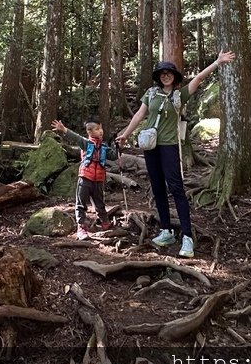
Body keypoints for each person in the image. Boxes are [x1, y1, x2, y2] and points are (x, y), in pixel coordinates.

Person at [115, 50, 235, 258]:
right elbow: (139, 115)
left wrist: (217, 62)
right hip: (151, 147)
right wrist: (125, 134)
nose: (165, 76)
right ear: (158, 77)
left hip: (169, 146)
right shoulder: (151, 94)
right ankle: (166, 230)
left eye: (169, 73)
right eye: (162, 73)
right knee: (158, 188)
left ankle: (187, 237)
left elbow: (198, 78)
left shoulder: (180, 95)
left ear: (174, 76)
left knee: (177, 189)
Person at [51, 118, 119, 239]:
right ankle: (81, 227)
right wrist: (64, 129)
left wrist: (119, 146)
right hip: (85, 178)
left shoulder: (104, 147)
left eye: (100, 128)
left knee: (99, 203)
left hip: (98, 180)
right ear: (90, 132)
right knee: (81, 203)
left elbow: (114, 156)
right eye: (97, 129)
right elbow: (75, 137)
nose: (100, 131)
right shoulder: (86, 144)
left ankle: (105, 223)